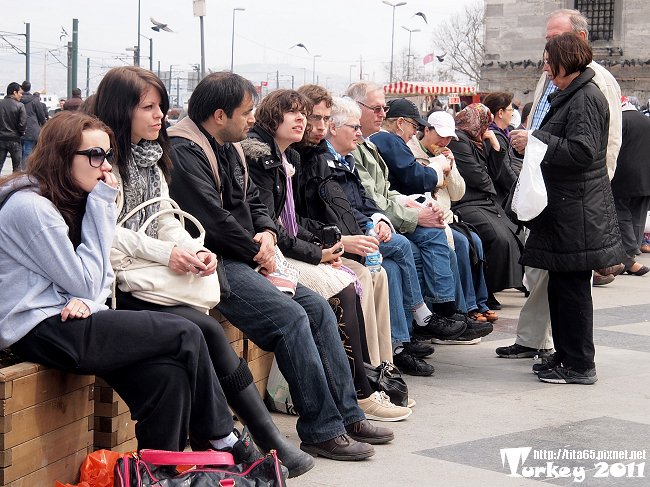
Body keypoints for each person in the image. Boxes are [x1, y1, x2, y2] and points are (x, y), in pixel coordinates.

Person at [89, 67, 314, 477]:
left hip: (152, 272)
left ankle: (238, 438)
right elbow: (108, 235)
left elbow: (166, 216)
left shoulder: (151, 158)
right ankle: (238, 438)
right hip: (120, 283)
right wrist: (171, 252)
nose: (160, 115)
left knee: (207, 328)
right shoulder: (107, 161)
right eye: (149, 107)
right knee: (204, 329)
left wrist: (196, 249)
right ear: (121, 110)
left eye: (161, 105)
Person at [0, 111, 260, 459]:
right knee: (187, 333)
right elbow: (89, 281)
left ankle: (158, 475)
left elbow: (98, 280)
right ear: (62, 156)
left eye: (107, 155)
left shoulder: (68, 198)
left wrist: (88, 300)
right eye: (94, 155)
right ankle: (220, 434)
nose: (104, 165)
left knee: (167, 379)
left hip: (71, 317)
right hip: (38, 327)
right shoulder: (33, 208)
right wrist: (102, 209)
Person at [167, 72, 393, 461]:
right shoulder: (185, 150)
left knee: (319, 309)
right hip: (214, 262)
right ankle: (321, 429)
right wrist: (259, 251)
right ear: (220, 115)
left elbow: (255, 203)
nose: (251, 119)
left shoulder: (230, 145)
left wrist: (268, 235)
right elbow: (212, 220)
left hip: (248, 254)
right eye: (246, 111)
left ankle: (346, 414)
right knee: (290, 318)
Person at [241, 88, 411, 421]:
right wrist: (324, 249)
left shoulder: (292, 155)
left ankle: (372, 376)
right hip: (265, 256)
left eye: (317, 117)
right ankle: (358, 390)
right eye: (300, 115)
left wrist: (332, 242)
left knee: (365, 272)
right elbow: (272, 226)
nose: (309, 123)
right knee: (344, 283)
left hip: (287, 246)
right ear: (270, 116)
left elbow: (298, 218)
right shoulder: (264, 157)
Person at [498, 8, 623, 359]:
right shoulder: (563, 82)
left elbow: (595, 148)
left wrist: (537, 141)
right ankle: (547, 346)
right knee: (552, 281)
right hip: (556, 198)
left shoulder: (591, 87)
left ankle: (575, 360)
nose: (545, 59)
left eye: (552, 47)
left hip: (577, 201)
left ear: (572, 48)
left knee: (571, 289)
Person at [345, 83, 489, 342]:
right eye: (376, 108)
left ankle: (450, 313)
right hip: (373, 226)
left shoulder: (370, 144)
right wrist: (432, 177)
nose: (381, 114)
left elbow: (388, 191)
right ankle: (425, 323)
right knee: (421, 246)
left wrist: (422, 200)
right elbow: (411, 180)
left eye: (384, 108)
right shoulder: (382, 141)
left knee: (459, 239)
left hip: (389, 217)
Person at [294, 84, 394, 367]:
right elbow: (285, 224)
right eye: (314, 118)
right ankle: (364, 371)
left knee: (379, 270)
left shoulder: (319, 158)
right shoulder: (305, 159)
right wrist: (339, 243)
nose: (318, 127)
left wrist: (373, 225)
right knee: (361, 274)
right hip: (305, 249)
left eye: (325, 119)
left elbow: (354, 205)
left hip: (325, 242)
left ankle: (382, 364)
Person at [407, 110, 495, 324]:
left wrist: (452, 168)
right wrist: (436, 166)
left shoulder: (446, 154)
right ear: (426, 130)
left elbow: (458, 193)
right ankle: (466, 308)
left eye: (448, 138)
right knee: (462, 243)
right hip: (430, 218)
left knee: (476, 241)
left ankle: (480, 302)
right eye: (440, 136)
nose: (444, 141)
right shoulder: (412, 153)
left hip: (448, 217)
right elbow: (422, 187)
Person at [447, 103, 523, 307]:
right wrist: (490, 181)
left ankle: (489, 289)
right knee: (497, 238)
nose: (487, 129)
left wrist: (496, 148)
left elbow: (494, 173)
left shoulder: (477, 140)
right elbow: (478, 176)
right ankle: (486, 291)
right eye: (485, 124)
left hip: (484, 201)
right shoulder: (459, 140)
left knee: (511, 235)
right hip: (466, 202)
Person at [610, 97, 650, 276]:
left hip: (624, 175)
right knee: (638, 214)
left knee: (622, 212)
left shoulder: (620, 121)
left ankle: (629, 250)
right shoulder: (645, 119)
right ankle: (634, 249)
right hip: (646, 175)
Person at [482, 91, 521, 202]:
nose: (512, 114)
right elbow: (505, 173)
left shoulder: (499, 133)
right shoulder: (495, 136)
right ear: (500, 113)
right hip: (500, 198)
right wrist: (520, 190)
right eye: (510, 110)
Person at [0, 82, 26, 173]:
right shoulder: (20, 106)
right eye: (20, 93)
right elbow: (22, 124)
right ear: (14, 92)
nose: (21, 95)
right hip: (14, 139)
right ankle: (15, 186)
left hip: (1, 138)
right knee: (17, 168)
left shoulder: (1, 103)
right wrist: (21, 133)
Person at [19, 81, 47, 162]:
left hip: (18, 128)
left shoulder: (18, 99)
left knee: (19, 151)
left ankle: (19, 169)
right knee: (28, 150)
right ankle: (25, 170)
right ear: (30, 88)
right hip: (32, 129)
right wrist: (44, 125)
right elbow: (41, 115)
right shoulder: (35, 100)